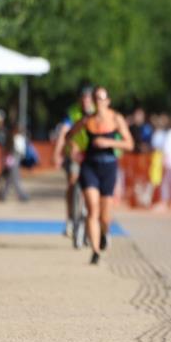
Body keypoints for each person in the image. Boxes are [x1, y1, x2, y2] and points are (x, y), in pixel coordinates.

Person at [65, 86, 134, 264]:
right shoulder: (87, 120)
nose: (98, 102)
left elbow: (129, 144)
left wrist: (108, 142)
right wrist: (74, 149)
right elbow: (70, 135)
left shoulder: (116, 119)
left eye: (102, 98)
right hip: (89, 166)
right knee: (92, 208)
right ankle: (95, 251)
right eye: (96, 98)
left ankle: (104, 232)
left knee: (104, 215)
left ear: (108, 101)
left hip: (109, 167)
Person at [52, 87, 96, 233]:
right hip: (74, 153)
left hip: (92, 154)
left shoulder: (97, 112)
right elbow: (64, 131)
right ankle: (70, 218)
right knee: (72, 181)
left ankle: (95, 218)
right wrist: (57, 153)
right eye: (82, 99)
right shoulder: (73, 112)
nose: (85, 102)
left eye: (88, 98)